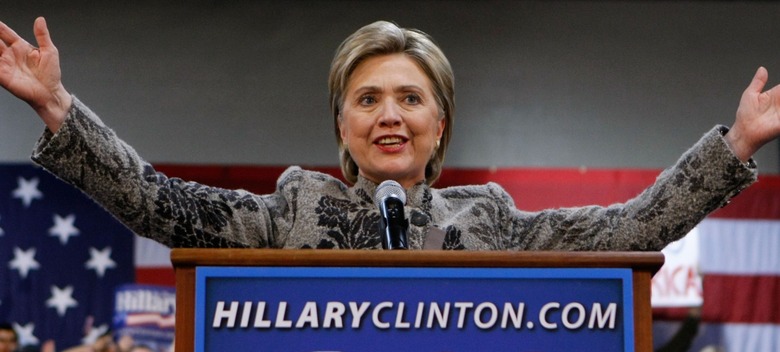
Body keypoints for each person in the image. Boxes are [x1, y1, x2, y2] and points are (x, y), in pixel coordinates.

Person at [0, 18, 778, 253]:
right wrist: (63, 110)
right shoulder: (292, 209)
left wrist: (734, 146)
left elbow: (631, 227)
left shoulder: (490, 218)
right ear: (342, 123)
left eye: (411, 97)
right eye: (367, 98)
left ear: (440, 125)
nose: (389, 115)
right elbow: (158, 203)